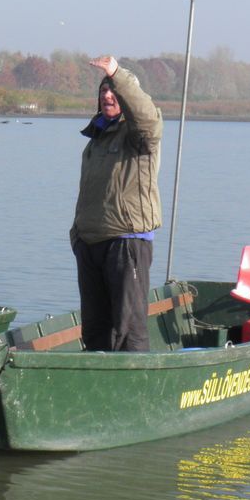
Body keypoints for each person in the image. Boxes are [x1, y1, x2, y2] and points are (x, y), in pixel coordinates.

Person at [70, 55, 163, 352]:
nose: (108, 95)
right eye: (103, 90)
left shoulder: (139, 137)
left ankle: (137, 387)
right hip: (91, 242)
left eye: (114, 90)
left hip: (126, 242)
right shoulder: (95, 139)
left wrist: (116, 73)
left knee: (129, 329)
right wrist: (77, 236)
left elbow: (146, 116)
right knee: (96, 330)